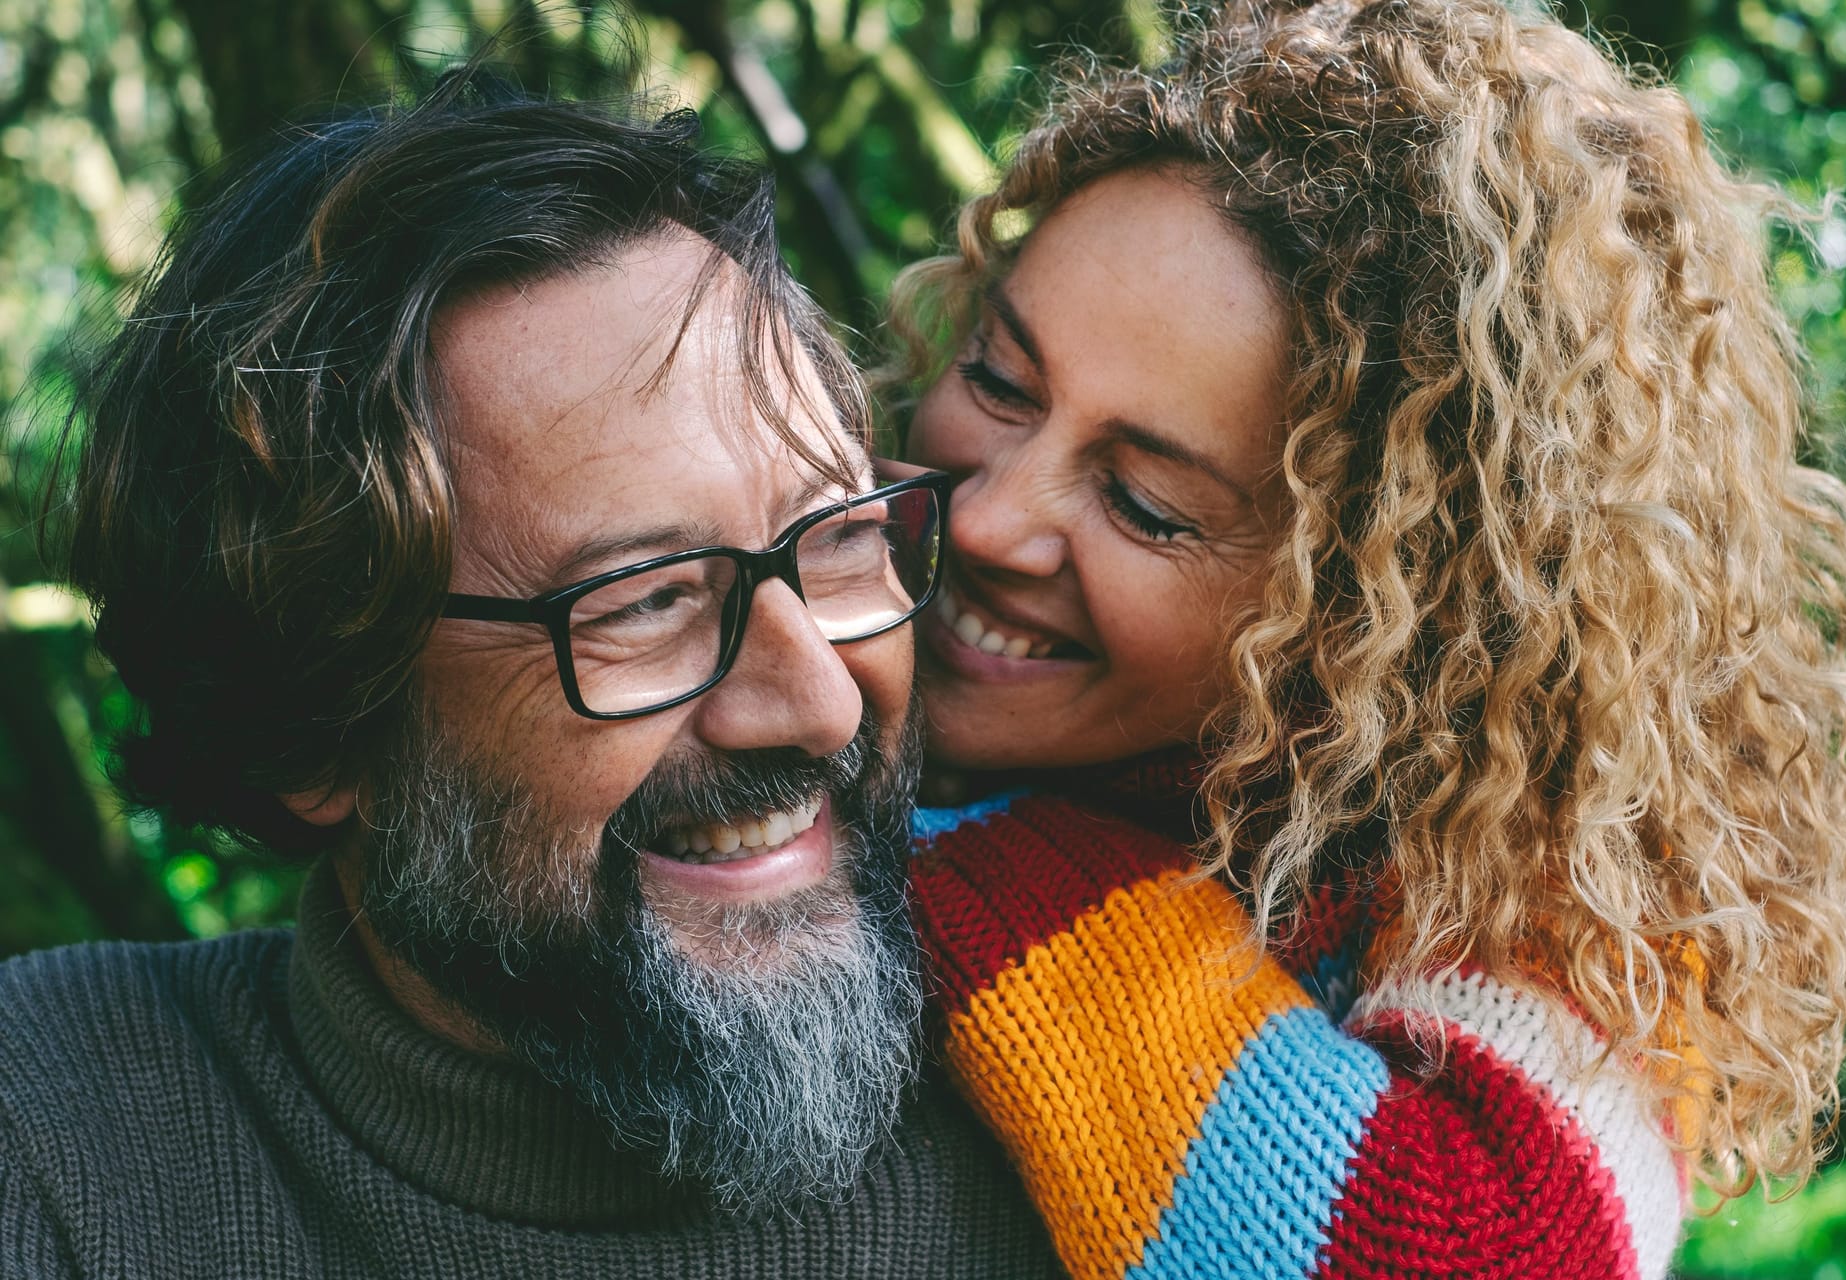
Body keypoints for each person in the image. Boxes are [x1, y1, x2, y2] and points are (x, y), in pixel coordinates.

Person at [889, 0, 1846, 1276]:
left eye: (1148, 506)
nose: (986, 516)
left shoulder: (1542, 866)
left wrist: (946, 867)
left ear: (1371, 604)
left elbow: (1470, 1251)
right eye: (998, 377)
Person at [0, 76, 1062, 1278]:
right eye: (646, 601)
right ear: (315, 733)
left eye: (836, 540)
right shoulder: (48, 1142)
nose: (818, 701)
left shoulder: (1145, 1094)